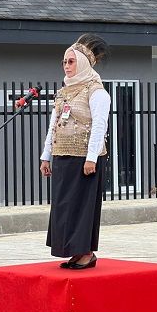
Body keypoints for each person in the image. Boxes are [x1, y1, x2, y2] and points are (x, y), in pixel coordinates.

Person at [40, 34, 110, 270]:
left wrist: (91, 159)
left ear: (82, 63)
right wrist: (46, 155)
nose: (66, 66)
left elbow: (99, 125)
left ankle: (86, 253)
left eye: (71, 62)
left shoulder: (96, 91)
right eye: (64, 62)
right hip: (63, 156)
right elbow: (54, 124)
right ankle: (73, 250)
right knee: (64, 205)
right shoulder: (64, 91)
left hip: (84, 160)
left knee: (81, 206)